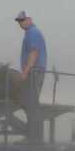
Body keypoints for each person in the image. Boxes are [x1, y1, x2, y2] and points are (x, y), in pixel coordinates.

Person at [15, 10, 48, 143]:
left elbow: (34, 53)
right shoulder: (31, 33)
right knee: (30, 104)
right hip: (35, 72)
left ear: (30, 19)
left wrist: (25, 72)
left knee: (31, 104)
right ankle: (33, 136)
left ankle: (34, 138)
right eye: (19, 21)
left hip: (34, 72)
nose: (20, 23)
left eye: (22, 20)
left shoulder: (32, 33)